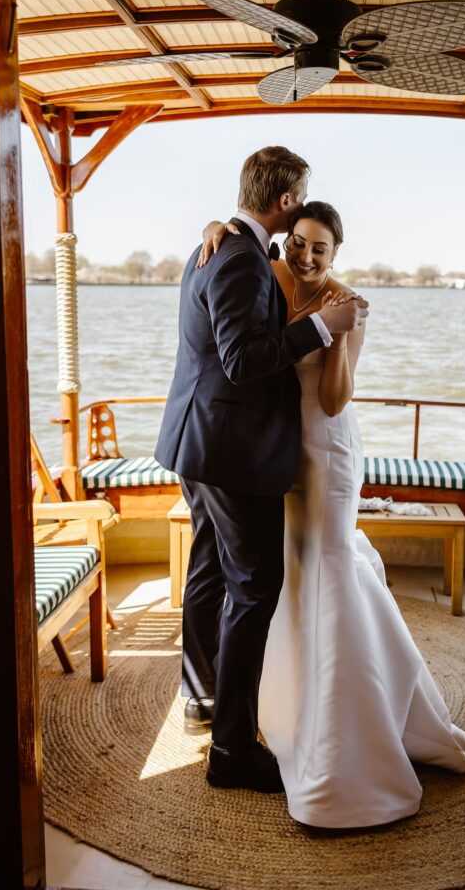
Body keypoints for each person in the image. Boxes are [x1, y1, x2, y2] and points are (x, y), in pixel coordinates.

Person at [200, 200, 465, 828]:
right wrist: (213, 227)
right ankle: (287, 709)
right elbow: (238, 258)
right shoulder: (271, 275)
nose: (305, 256)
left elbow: (330, 401)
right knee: (289, 573)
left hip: (326, 451)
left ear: (335, 255)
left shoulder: (348, 303)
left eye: (318, 249)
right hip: (276, 452)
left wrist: (340, 334)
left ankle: (345, 738)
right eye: (298, 243)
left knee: (326, 566)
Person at [154, 147, 369, 794]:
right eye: (299, 201)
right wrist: (322, 331)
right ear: (283, 203)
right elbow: (245, 360)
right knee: (252, 590)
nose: (303, 220)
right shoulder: (242, 259)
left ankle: (201, 693)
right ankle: (231, 752)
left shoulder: (224, 248)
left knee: (208, 570)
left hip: (202, 440)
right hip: (231, 449)